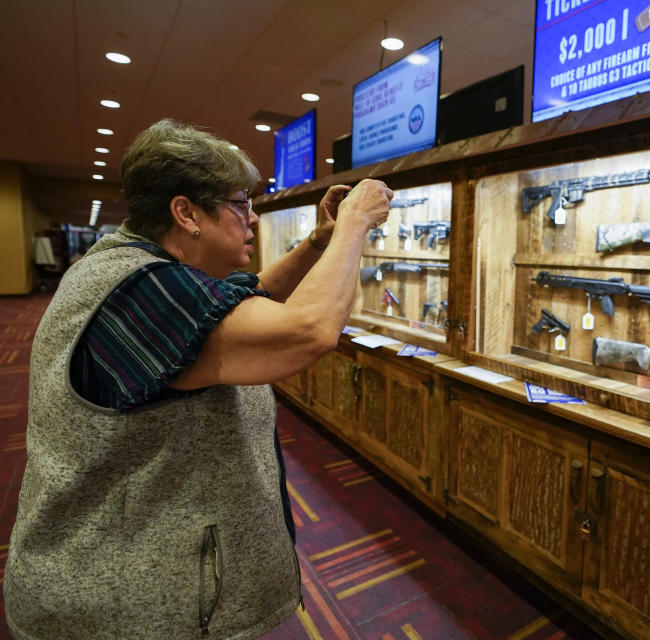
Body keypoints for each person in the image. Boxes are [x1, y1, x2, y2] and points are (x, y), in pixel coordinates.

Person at [3, 119, 393, 639]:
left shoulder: (129, 267)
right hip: (126, 606)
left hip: (133, 586)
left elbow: (245, 294)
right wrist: (355, 224)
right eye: (240, 204)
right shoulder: (142, 291)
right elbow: (306, 332)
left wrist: (319, 244)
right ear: (185, 212)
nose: (253, 218)